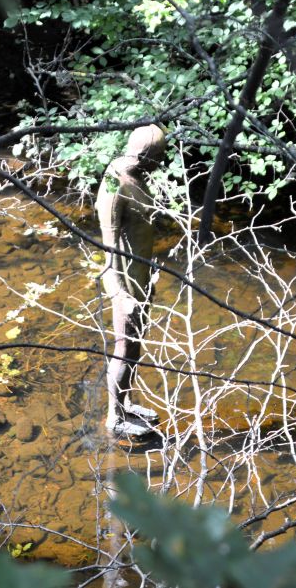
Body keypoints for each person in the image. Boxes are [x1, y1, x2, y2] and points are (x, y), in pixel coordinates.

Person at [95, 124, 166, 437]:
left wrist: (149, 276)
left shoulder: (139, 177)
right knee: (124, 347)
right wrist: (120, 295)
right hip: (124, 284)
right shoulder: (116, 184)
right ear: (145, 156)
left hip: (141, 278)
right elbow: (108, 251)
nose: (161, 164)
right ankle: (114, 417)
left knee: (136, 346)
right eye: (158, 158)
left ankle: (126, 403)